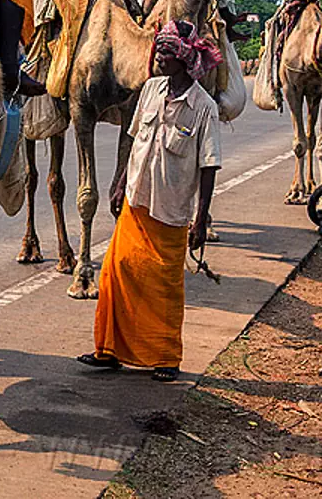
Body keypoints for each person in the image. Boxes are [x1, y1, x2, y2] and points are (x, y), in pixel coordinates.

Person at [77, 20, 223, 382]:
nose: (159, 57)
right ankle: (108, 350)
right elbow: (133, 139)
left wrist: (201, 218)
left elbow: (209, 165)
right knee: (115, 271)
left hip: (170, 210)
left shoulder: (204, 108)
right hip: (135, 200)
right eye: (160, 49)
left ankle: (165, 357)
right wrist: (120, 181)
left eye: (167, 52)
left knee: (163, 285)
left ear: (185, 60)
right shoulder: (151, 90)